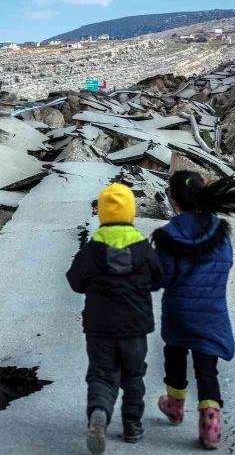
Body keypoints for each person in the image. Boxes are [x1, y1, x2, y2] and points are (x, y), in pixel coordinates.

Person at [152, 171, 235, 449]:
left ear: (174, 200)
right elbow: (226, 264)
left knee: (174, 354)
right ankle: (210, 424)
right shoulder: (219, 231)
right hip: (211, 309)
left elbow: (163, 276)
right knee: (206, 366)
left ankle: (174, 406)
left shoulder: (168, 235)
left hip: (177, 309)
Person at [67, 182, 163, 454]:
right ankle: (132, 425)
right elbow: (160, 278)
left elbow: (75, 281)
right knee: (134, 375)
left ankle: (99, 412)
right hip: (135, 327)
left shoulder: (92, 250)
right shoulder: (143, 249)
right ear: (131, 213)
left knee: (101, 374)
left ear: (102, 215)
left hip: (100, 327)